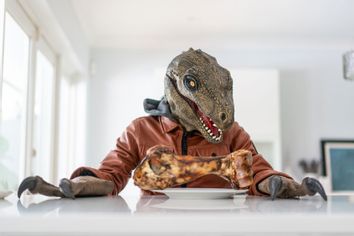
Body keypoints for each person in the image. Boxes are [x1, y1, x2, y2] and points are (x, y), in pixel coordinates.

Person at [18, 49, 326, 200]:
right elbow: (113, 173)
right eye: (192, 84)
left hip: (223, 225)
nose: (222, 113)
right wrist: (77, 186)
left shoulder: (231, 133)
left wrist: (279, 183)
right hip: (154, 223)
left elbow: (256, 167)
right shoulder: (140, 129)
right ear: (173, 85)